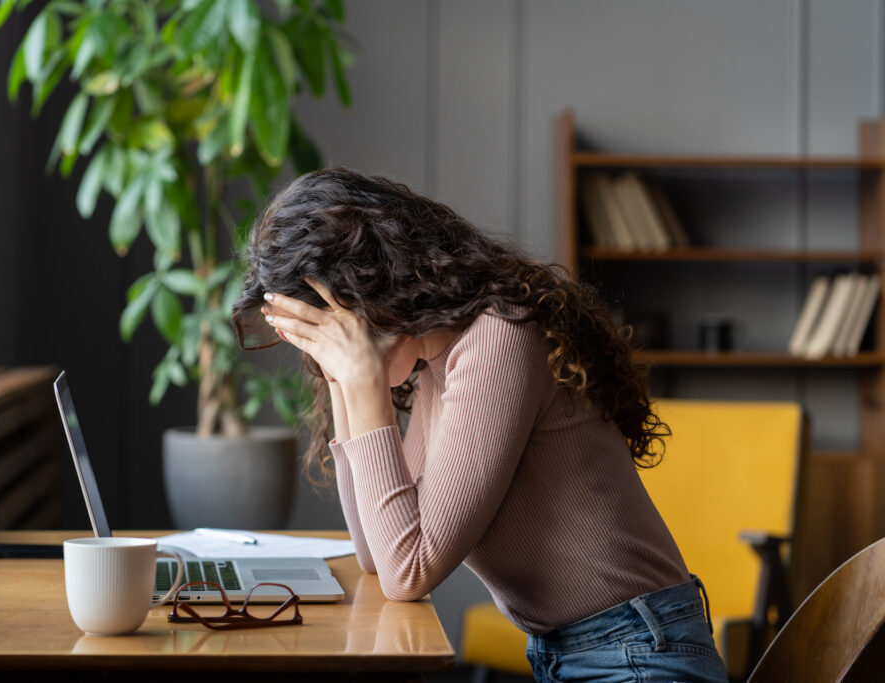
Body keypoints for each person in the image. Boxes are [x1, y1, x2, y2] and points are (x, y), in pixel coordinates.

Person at [231, 167, 729, 682]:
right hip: (578, 655)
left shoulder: (498, 338)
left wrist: (362, 380)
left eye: (326, 330)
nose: (325, 348)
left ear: (367, 288)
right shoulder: (436, 368)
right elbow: (376, 555)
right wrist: (340, 378)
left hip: (640, 656)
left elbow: (409, 572)